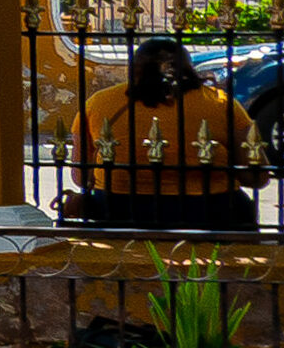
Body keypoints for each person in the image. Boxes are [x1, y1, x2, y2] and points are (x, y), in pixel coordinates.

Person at [67, 34, 264, 234]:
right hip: (209, 211)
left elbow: (81, 176)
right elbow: (258, 177)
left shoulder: (99, 102)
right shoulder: (221, 104)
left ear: (133, 68)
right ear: (188, 68)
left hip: (119, 210)